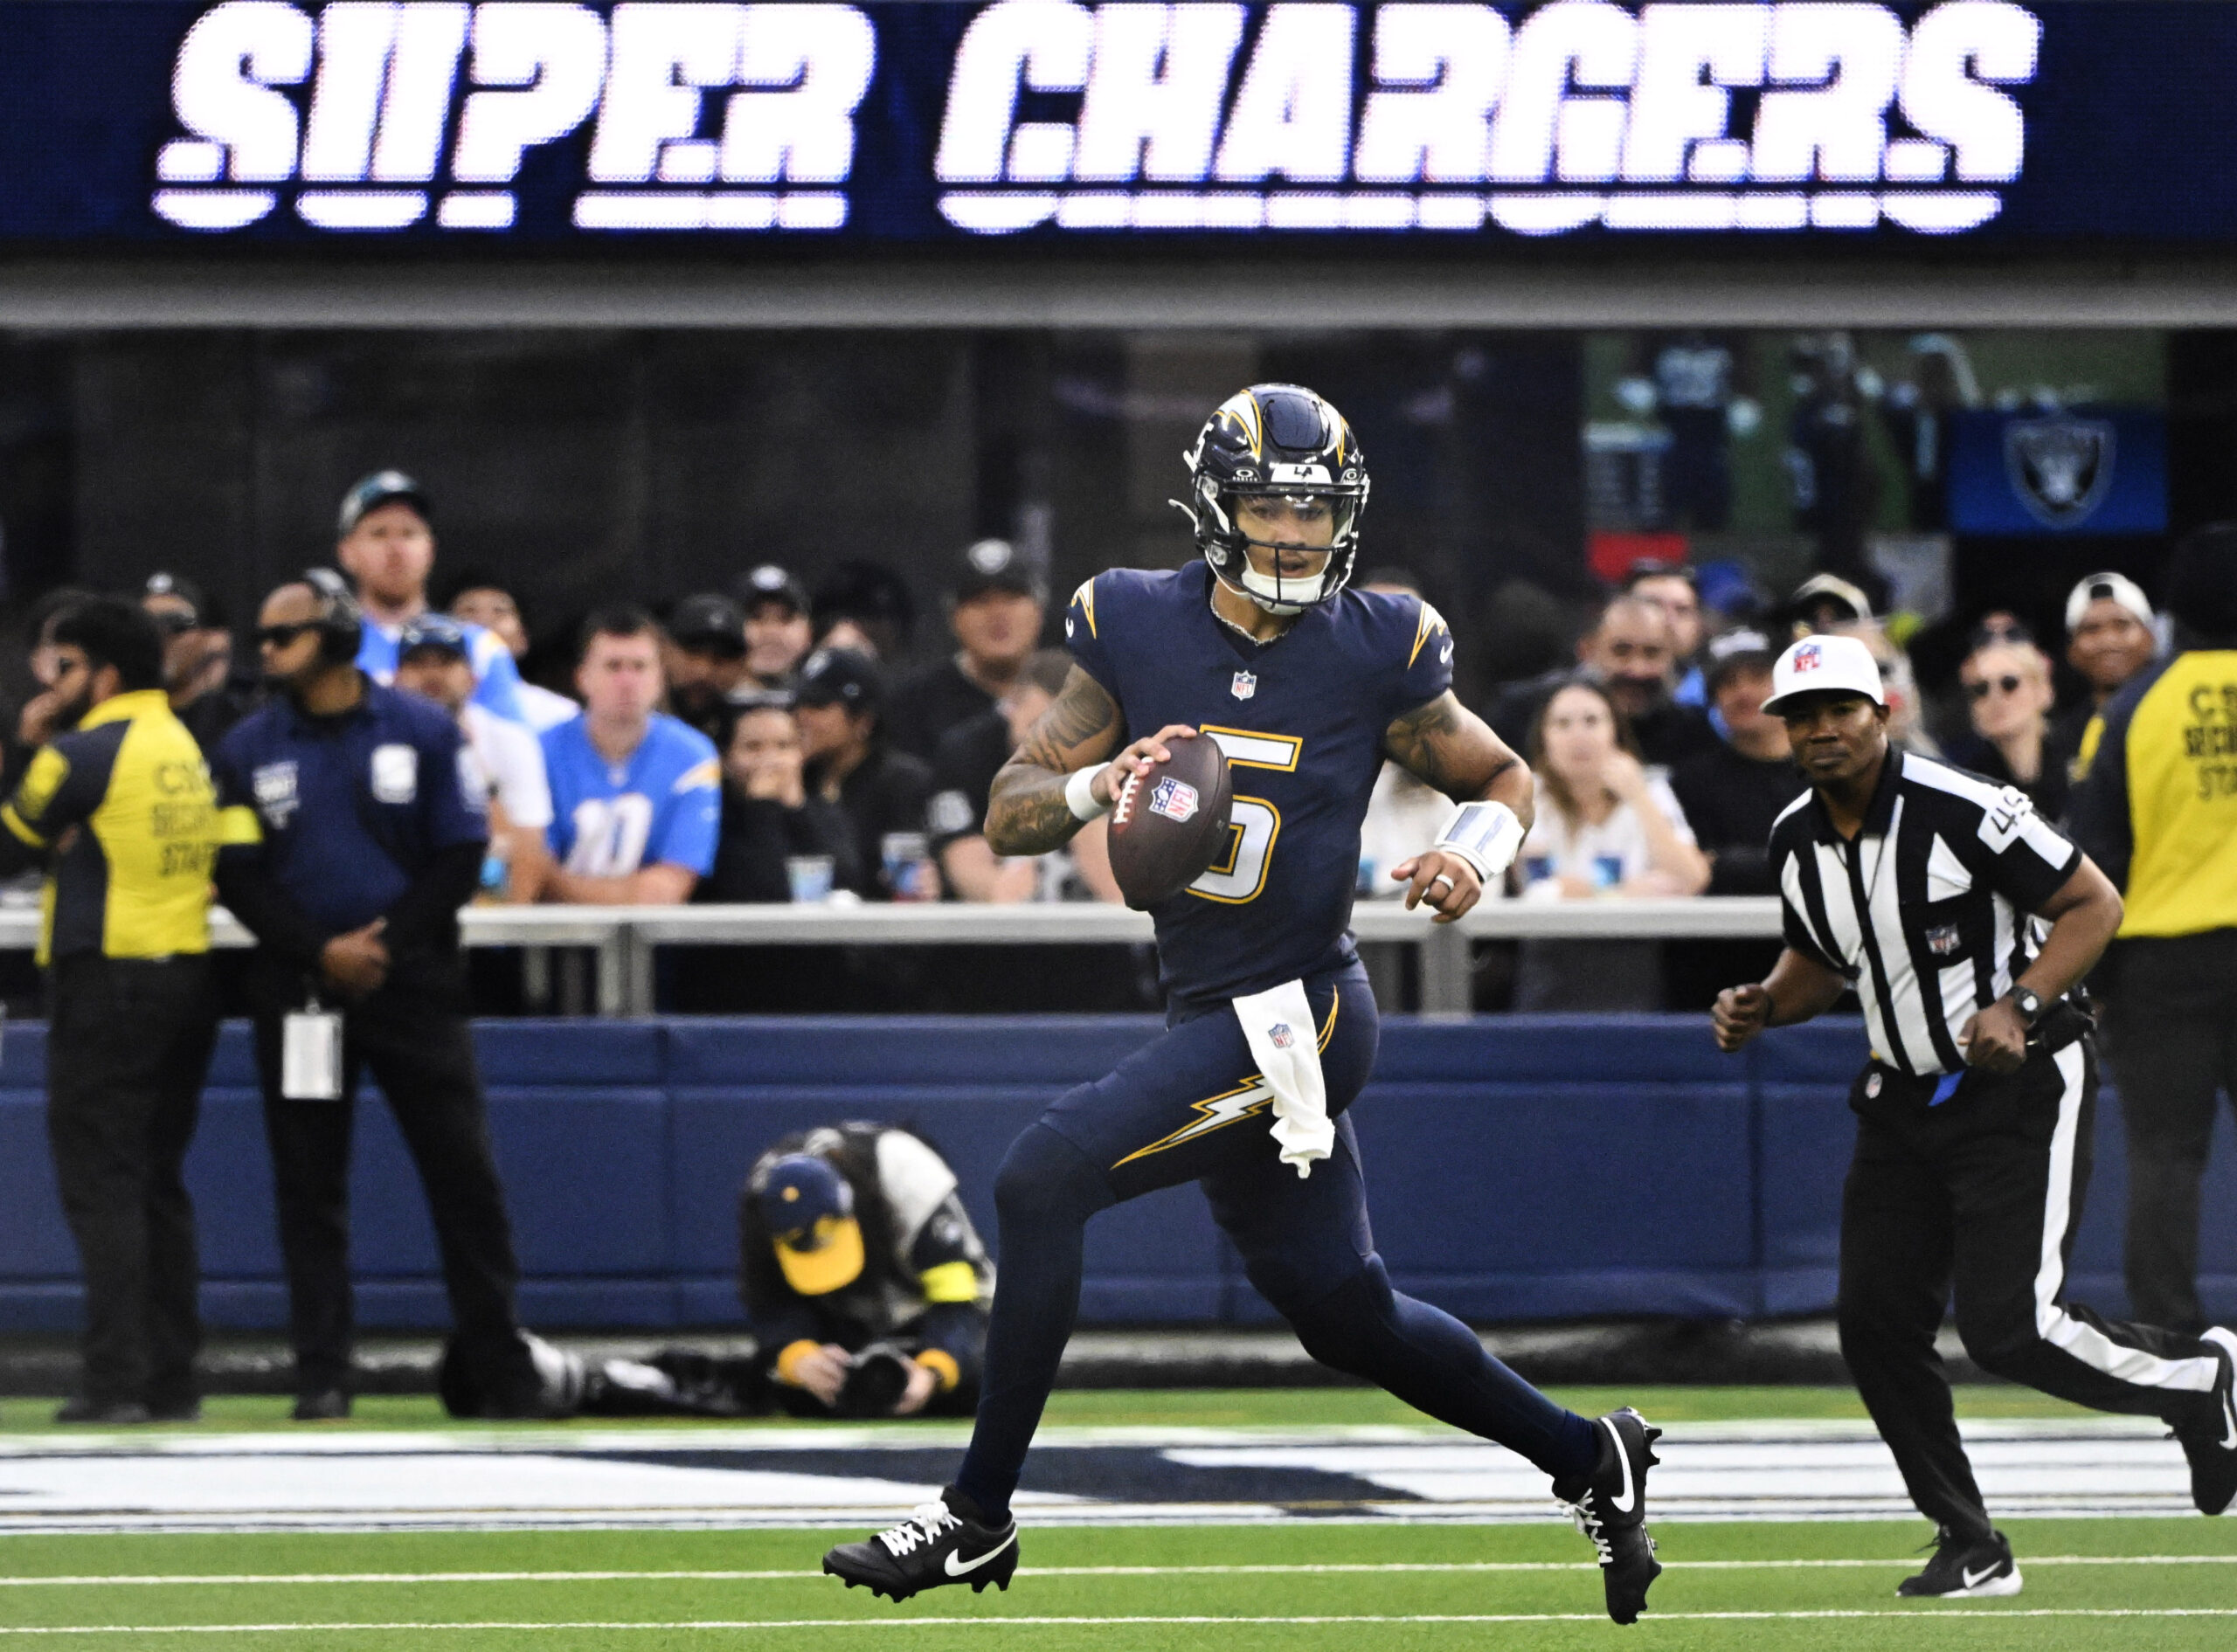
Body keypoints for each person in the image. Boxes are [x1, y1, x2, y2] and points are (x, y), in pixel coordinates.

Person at [821, 384, 1663, 1621]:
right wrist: (1099, 779)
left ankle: (978, 1514)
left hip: (1306, 1008)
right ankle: (1594, 1455)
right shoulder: (1131, 622)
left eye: (1316, 511)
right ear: (1216, 503)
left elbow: (1503, 771)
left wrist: (1473, 849)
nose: (1294, 535)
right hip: (1210, 1004)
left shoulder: (1381, 639)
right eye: (1270, 503)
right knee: (1348, 1313)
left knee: (1039, 1178)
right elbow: (1009, 811)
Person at [1712, 632, 2237, 1597]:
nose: (1824, 730)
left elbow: (2093, 901)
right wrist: (1762, 1002)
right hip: (1900, 1098)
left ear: (1883, 710)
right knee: (1873, 1323)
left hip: (2018, 1085)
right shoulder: (1795, 836)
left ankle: (2197, 1380)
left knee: (2010, 1330)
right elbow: (1822, 959)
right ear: (1781, 728)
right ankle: (1968, 1538)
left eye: (1841, 709)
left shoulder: (1966, 808)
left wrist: (2022, 1002)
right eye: (1804, 715)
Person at [211, 572, 549, 1420]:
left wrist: (383, 945)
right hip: (300, 992)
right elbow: (236, 874)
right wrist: (318, 949)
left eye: (279, 637)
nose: (265, 654)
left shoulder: (424, 730)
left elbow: (461, 853)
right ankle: (322, 1373)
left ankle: (498, 1363)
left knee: (462, 1174)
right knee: (308, 1182)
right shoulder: (248, 747)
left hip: (414, 986)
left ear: (328, 635)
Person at [0, 599, 225, 1424]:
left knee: (102, 1182)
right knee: (159, 1180)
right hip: (185, 978)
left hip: (109, 982)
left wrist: (31, 744)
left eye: (66, 666)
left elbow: (9, 841)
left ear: (102, 671)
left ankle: (114, 1377)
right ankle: (172, 1375)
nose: (55, 683)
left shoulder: (82, 752)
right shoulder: (183, 748)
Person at [2068, 526, 2237, 1337]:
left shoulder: (2133, 710)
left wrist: (2095, 985)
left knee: (2166, 1158)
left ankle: (2175, 1345)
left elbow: (2098, 864)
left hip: (2164, 962)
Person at [744, 1125, 993, 1419]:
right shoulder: (763, 1206)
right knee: (796, 1392)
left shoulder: (909, 1176)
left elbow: (960, 1300)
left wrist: (934, 1370)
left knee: (975, 1385)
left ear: (851, 1209)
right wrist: (797, 1357)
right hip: (846, 1323)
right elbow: (771, 1303)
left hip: (927, 1309)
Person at [1511, 681, 1709, 1012]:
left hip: (1632, 964)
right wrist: (1628, 892)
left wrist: (1639, 798)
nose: (1579, 735)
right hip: (1549, 966)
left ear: (1615, 732)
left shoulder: (1651, 790)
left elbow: (1692, 878)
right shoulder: (1526, 795)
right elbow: (1541, 889)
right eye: (1562, 724)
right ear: (1543, 738)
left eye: (1592, 721)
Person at [539, 609, 720, 905]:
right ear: (582, 677)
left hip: (654, 947)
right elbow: (531, 874)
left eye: (639, 667)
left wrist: (563, 886)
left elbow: (666, 890)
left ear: (660, 678)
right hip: (553, 945)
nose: (627, 681)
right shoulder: (539, 752)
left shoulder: (693, 757)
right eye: (613, 666)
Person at [1666, 629, 1802, 1007]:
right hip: (1716, 974)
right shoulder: (1689, 782)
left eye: (1757, 678)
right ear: (1713, 700)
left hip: (1819, 969)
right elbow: (1694, 873)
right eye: (1728, 683)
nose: (1744, 693)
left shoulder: (1827, 770)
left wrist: (1729, 864)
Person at [333, 472, 527, 724]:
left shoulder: (482, 649)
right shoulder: (330, 652)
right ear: (347, 552)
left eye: (409, 533)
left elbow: (509, 750)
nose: (396, 549)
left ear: (430, 549)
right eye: (379, 534)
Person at [928, 649, 1118, 905]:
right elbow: (963, 856)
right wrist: (999, 886)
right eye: (1036, 727)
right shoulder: (969, 753)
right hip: (999, 932)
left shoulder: (1116, 755)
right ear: (1010, 708)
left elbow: (1119, 895)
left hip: (1102, 933)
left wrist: (1080, 800)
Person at [391, 613, 554, 903]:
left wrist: (501, 934)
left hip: (484, 910)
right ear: (394, 680)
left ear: (473, 679)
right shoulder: (375, 743)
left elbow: (529, 851)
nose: (432, 675)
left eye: (445, 663)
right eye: (417, 664)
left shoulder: (510, 741)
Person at [1487, 595, 1715, 771]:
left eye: (1652, 653)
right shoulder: (1523, 714)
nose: (1637, 670)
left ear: (1671, 658)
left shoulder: (1693, 734)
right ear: (1587, 651)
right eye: (1621, 651)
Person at [885, 539, 1048, 764]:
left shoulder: (1079, 693)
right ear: (953, 617)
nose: (998, 614)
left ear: (1039, 610)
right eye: (981, 601)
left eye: (1012, 599)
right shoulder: (911, 706)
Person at [794, 647, 936, 902]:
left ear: (863, 720)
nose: (801, 716)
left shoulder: (902, 783)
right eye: (799, 703)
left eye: (818, 705)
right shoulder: (798, 780)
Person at [703, 695, 862, 903]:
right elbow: (763, 892)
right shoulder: (711, 818)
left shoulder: (823, 810)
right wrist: (761, 808)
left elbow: (847, 880)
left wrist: (797, 809)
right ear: (726, 760)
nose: (771, 760)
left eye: (784, 746)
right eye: (753, 747)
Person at [2047, 571, 2157, 792]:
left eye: (2122, 625)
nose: (2108, 640)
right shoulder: (2060, 739)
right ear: (2072, 651)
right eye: (2091, 629)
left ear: (2149, 638)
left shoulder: (2177, 716)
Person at [1946, 636, 2066, 818]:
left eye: (2009, 683)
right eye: (1980, 689)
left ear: (2043, 690)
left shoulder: (2080, 758)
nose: (1995, 698)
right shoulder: (1964, 780)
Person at [141, 572, 257, 754]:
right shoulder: (117, 720)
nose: (160, 634)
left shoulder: (241, 724)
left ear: (210, 638)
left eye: (176, 623)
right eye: (146, 624)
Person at [446, 577, 580, 733]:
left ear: (522, 639)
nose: (484, 621)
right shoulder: (427, 712)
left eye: (499, 611)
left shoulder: (560, 716)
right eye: (469, 611)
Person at [662, 593, 755, 748]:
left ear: (743, 665)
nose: (703, 672)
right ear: (665, 651)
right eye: (692, 653)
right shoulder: (634, 721)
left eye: (720, 659)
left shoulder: (751, 729)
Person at [1623, 561, 1708, 708]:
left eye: (1681, 610)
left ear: (1698, 625)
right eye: (1653, 606)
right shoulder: (1588, 694)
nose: (1669, 621)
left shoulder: (1719, 699)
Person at [735, 563, 816, 690]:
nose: (771, 632)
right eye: (756, 617)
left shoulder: (830, 702)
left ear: (808, 631)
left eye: (785, 618)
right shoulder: (706, 703)